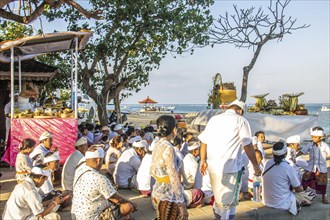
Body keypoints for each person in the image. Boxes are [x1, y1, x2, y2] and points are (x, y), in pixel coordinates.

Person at [198, 100, 261, 220]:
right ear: (240, 111)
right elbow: (247, 145)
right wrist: (256, 166)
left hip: (213, 167)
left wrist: (202, 161)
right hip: (231, 168)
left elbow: (204, 141)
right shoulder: (241, 120)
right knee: (228, 204)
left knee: (219, 199)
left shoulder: (214, 119)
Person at [71, 146, 137, 220]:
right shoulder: (99, 178)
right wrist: (131, 203)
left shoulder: (80, 170)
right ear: (98, 160)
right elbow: (117, 199)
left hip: (76, 215)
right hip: (92, 217)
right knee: (127, 206)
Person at [150, 115, 188, 220]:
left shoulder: (157, 144)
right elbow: (173, 176)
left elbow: (152, 171)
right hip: (169, 194)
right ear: (174, 130)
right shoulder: (169, 148)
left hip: (157, 189)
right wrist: (181, 203)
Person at [262, 142, 315, 215]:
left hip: (266, 201)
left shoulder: (267, 163)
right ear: (286, 153)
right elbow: (298, 189)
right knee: (310, 195)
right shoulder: (288, 167)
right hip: (281, 203)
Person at [299, 127, 330, 204]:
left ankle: (324, 196)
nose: (313, 138)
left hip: (321, 168)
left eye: (315, 137)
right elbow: (303, 151)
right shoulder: (310, 144)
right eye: (312, 137)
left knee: (322, 183)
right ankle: (303, 195)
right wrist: (294, 156)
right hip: (310, 167)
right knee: (305, 180)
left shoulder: (325, 145)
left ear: (321, 137)